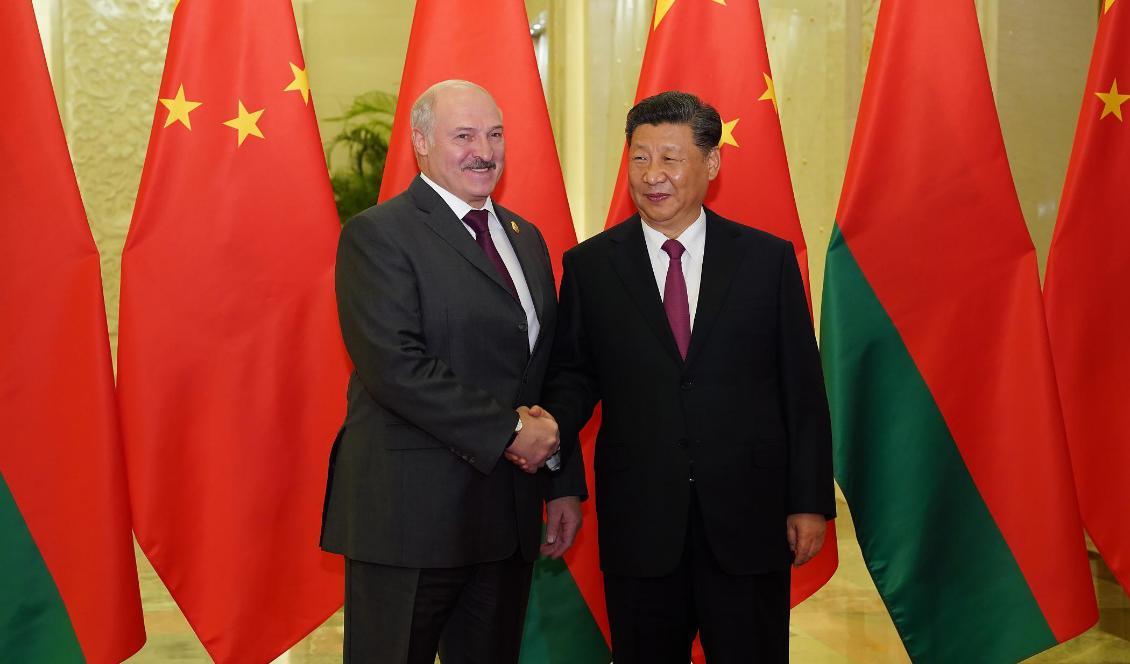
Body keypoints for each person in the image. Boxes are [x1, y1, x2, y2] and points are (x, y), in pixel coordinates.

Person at [541, 90, 834, 663]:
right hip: (641, 522)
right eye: (640, 158)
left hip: (748, 520)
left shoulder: (766, 261)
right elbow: (572, 379)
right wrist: (554, 460)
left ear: (712, 163)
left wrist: (808, 501)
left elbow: (802, 390)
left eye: (671, 158)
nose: (654, 176)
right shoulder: (590, 267)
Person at [320, 79, 585, 664]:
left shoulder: (526, 238)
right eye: (463, 135)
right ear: (419, 143)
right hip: (409, 520)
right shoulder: (378, 235)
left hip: (506, 519)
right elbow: (397, 367)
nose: (483, 151)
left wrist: (561, 480)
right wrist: (514, 434)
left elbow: (542, 368)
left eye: (494, 135)